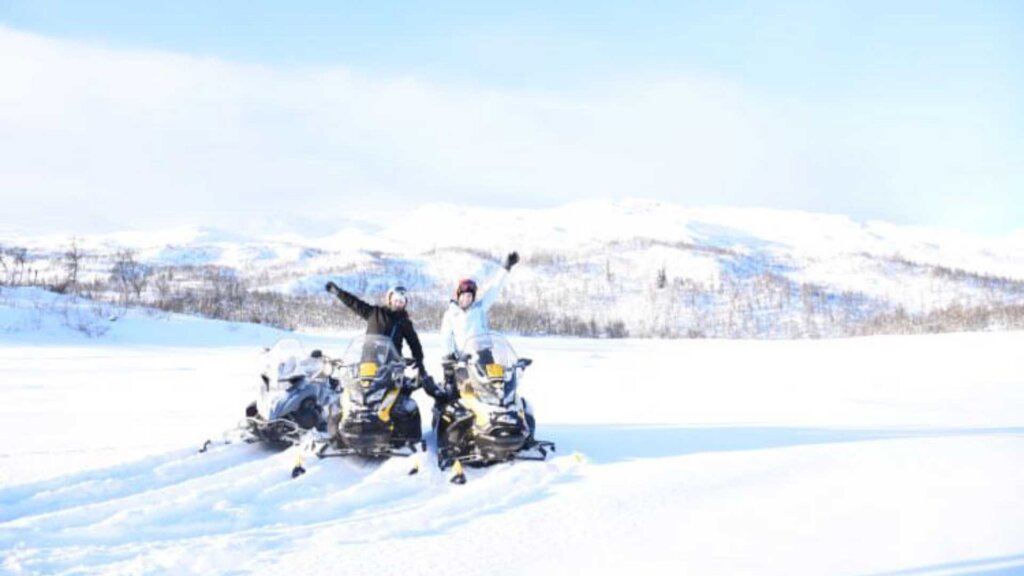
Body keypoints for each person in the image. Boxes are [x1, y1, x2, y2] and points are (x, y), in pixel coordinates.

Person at [325, 282, 436, 409]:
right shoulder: (374, 313)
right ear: (389, 299)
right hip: (368, 364)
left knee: (398, 400)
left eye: (402, 301)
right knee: (356, 396)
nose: (398, 304)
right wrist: (339, 293)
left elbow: (414, 343)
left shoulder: (404, 322)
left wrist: (419, 361)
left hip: (391, 367)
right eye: (396, 300)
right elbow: (354, 303)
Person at [437, 251, 519, 399]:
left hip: (484, 356)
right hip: (462, 359)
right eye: (464, 295)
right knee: (459, 394)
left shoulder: (480, 308)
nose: (467, 298)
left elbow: (495, 289)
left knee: (496, 389)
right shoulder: (451, 314)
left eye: (470, 296)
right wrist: (448, 356)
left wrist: (505, 269)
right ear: (458, 296)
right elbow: (445, 337)